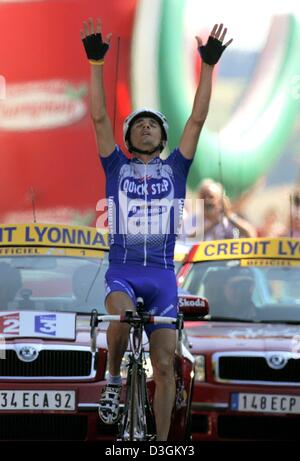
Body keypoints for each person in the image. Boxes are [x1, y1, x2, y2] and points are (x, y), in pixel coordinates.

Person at [81, 18, 232, 441]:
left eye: (153, 124)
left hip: (163, 275)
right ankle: (113, 383)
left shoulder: (176, 167)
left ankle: (163, 444)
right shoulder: (116, 165)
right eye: (138, 124)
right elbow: (97, 118)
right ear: (129, 136)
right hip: (124, 269)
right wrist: (96, 63)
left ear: (162, 136)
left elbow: (198, 120)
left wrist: (208, 67)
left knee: (165, 367)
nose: (145, 126)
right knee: (123, 316)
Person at [186, 178, 256, 240]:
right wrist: (213, 223)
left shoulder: (229, 220)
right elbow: (188, 238)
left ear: (220, 200)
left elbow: (250, 234)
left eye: (211, 197)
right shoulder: (193, 220)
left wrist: (228, 215)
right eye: (203, 196)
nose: (207, 200)